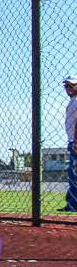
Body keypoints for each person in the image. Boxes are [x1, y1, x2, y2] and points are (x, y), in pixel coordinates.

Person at [58, 75, 77, 212]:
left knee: (74, 174)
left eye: (71, 85)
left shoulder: (75, 101)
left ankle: (72, 204)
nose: (68, 88)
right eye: (66, 86)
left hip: (76, 141)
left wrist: (75, 141)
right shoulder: (73, 101)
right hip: (73, 140)